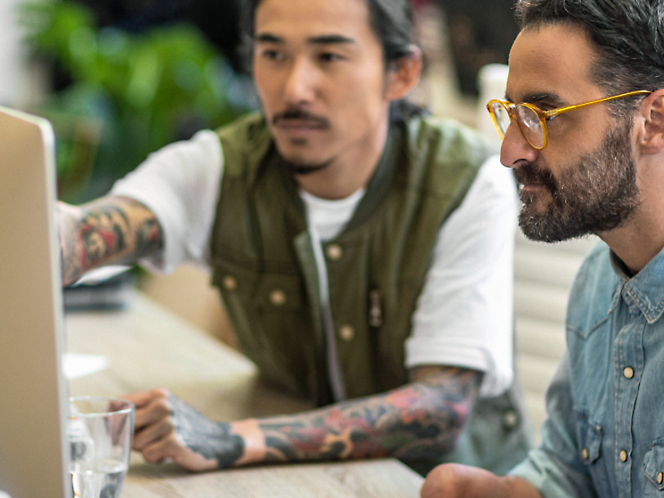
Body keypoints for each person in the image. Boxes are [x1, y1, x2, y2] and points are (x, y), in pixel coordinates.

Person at [58, 0, 531, 476]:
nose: (293, 88)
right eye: (273, 55)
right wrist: (47, 233)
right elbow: (83, 232)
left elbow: (440, 407)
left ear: (402, 72)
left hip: (442, 483)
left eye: (328, 57)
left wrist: (225, 438)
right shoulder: (221, 168)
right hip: (300, 477)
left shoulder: (464, 180)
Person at [420, 0, 664, 496]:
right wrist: (503, 491)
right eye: (511, 115)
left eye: (543, 114)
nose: (511, 151)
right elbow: (570, 467)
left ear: (654, 120)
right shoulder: (599, 280)